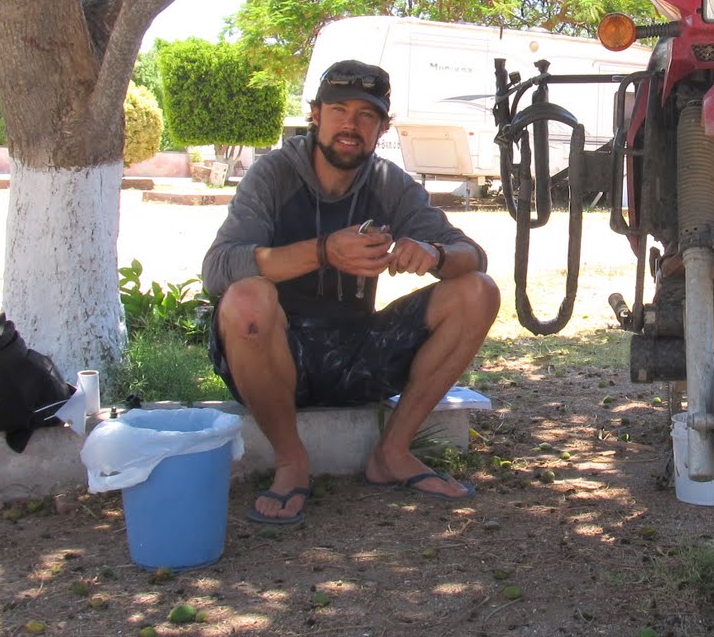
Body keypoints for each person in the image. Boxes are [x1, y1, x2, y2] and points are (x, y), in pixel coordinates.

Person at [201, 59, 500, 523]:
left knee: (478, 290)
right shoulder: (273, 175)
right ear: (315, 114)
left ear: (382, 126)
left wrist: (434, 255)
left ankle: (392, 453)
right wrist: (323, 252)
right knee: (245, 299)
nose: (350, 124)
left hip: (357, 352)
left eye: (366, 115)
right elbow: (218, 268)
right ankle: (290, 460)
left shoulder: (388, 183)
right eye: (339, 109)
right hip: (276, 356)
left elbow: (472, 255)